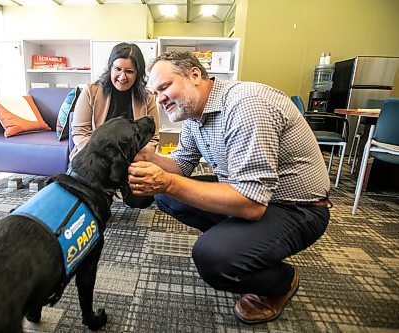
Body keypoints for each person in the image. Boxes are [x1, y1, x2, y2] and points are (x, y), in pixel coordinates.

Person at [127, 51, 331, 324]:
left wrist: (169, 181)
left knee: (212, 257)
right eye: (156, 92)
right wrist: (152, 159)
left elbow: (251, 203)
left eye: (165, 87)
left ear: (195, 75)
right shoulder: (193, 116)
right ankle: (245, 246)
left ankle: (282, 281)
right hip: (252, 196)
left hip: (297, 207)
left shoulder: (245, 105)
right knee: (166, 195)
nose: (160, 98)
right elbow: (182, 164)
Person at [70, 42, 159, 208]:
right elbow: (80, 132)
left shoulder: (147, 97)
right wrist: (99, 156)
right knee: (85, 205)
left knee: (142, 200)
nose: (122, 76)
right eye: (118, 69)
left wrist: (140, 158)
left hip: (130, 160)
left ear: (138, 73)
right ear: (110, 67)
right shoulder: (91, 91)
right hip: (95, 160)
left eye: (129, 71)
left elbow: (153, 137)